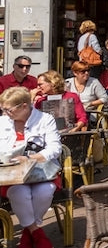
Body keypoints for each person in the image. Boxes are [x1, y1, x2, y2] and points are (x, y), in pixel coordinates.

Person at [0, 87, 62, 248]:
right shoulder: (3, 121)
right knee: (20, 193)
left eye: (8, 109)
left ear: (24, 106)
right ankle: (37, 234)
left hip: (40, 172)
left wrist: (29, 157)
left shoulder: (45, 119)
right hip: (11, 174)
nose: (5, 112)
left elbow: (55, 148)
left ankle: (28, 235)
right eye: (3, 109)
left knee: (45, 191)